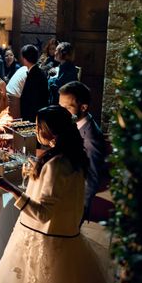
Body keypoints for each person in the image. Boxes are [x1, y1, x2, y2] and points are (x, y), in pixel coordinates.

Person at [0, 105, 110, 283]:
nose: (36, 131)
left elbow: (43, 213)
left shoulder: (57, 164)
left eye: (38, 127)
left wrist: (11, 188)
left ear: (51, 132)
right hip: (65, 239)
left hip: (43, 240)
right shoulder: (73, 157)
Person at [59, 81, 111, 221]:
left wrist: (80, 211)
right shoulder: (74, 123)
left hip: (75, 199)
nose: (62, 111)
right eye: (60, 106)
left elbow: (92, 179)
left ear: (83, 107)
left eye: (67, 107)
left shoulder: (90, 138)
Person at [19, 44, 49, 122]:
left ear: (24, 58)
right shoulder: (37, 71)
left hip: (33, 116)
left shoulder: (35, 73)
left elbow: (32, 99)